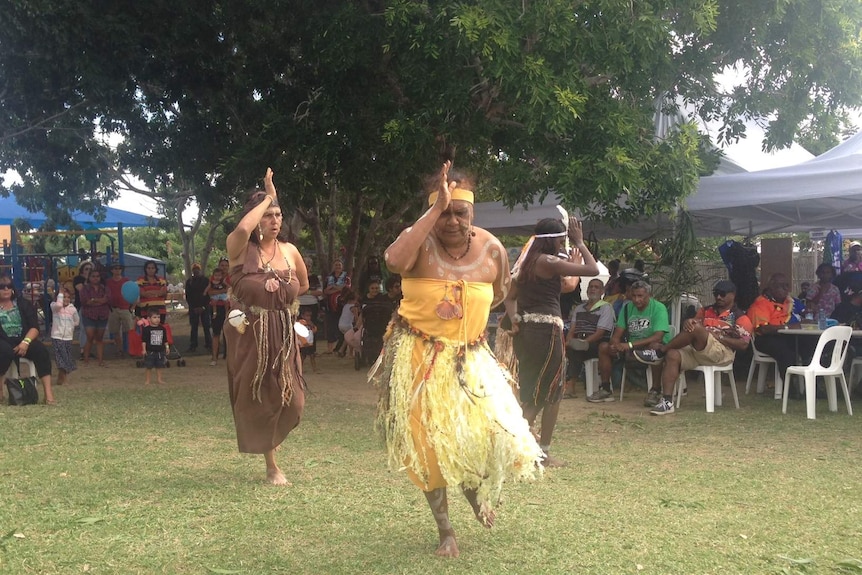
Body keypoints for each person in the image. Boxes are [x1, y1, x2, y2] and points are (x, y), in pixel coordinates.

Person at [373, 160, 542, 558]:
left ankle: (474, 493)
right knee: (431, 446)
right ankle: (445, 529)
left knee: (481, 435)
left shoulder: (492, 250)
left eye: (458, 212)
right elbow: (394, 262)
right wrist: (434, 210)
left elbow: (500, 293)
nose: (451, 221)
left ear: (474, 212)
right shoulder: (418, 242)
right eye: (443, 212)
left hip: (469, 357)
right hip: (417, 358)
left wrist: (467, 324)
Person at [224, 168, 309, 486]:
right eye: (268, 215)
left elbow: (302, 284)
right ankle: (272, 464)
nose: (275, 220)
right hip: (248, 329)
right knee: (259, 394)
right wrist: (268, 194)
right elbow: (244, 228)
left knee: (294, 399)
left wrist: (280, 299)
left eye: (278, 214)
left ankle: (271, 443)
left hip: (282, 330)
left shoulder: (290, 251)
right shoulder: (239, 248)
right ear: (256, 218)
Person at [505, 216, 599, 467]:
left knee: (536, 391)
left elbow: (510, 296)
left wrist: (515, 318)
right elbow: (593, 270)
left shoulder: (526, 262)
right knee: (549, 393)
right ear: (554, 240)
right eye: (562, 240)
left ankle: (520, 448)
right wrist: (580, 242)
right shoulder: (548, 261)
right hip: (546, 333)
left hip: (529, 333)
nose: (563, 245)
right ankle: (538, 453)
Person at [634, 280, 753, 415]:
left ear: (733, 295)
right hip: (698, 351)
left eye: (722, 294)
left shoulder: (740, 317)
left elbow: (743, 344)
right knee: (673, 354)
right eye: (716, 294)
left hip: (721, 353)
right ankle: (667, 402)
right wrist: (687, 322)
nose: (718, 297)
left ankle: (660, 351)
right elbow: (692, 326)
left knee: (695, 329)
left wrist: (717, 336)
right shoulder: (706, 310)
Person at [587, 279, 671, 404]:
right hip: (631, 348)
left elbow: (658, 336)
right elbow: (618, 333)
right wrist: (614, 344)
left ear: (649, 295)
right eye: (634, 296)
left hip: (652, 346)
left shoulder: (659, 308)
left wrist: (630, 345)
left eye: (640, 296)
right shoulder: (627, 308)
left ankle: (655, 391)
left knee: (655, 348)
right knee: (604, 347)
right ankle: (605, 389)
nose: (637, 300)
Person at [0, 275, 55, 404]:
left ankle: (48, 394)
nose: (6, 289)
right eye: (2, 287)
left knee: (41, 351)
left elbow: (34, 327)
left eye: (9, 286)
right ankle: (0, 391)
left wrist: (25, 343)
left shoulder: (23, 304)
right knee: (4, 352)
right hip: (3, 340)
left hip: (24, 338)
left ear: (13, 289)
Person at [746, 272, 799, 391]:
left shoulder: (787, 302)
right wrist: (787, 328)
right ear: (771, 287)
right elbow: (763, 329)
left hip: (786, 336)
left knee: (808, 346)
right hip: (765, 339)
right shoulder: (761, 303)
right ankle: (789, 389)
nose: (786, 289)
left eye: (787, 286)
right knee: (786, 352)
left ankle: (814, 387)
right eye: (782, 286)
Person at [563, 278, 615, 397]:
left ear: (602, 291)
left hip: (596, 343)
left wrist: (584, 342)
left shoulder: (605, 308)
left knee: (575, 349)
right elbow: (572, 329)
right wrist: (568, 340)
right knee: (568, 347)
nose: (592, 289)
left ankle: (570, 386)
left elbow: (600, 332)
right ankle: (561, 384)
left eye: (596, 287)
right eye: (591, 287)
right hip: (579, 341)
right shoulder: (579, 308)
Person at [80, 268, 111, 367]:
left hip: (102, 315)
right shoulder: (84, 289)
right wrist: (99, 300)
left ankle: (100, 361)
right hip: (89, 315)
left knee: (99, 338)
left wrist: (94, 300)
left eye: (97, 276)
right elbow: (86, 301)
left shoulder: (105, 288)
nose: (95, 278)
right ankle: (86, 360)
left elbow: (107, 299)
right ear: (89, 277)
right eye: (93, 276)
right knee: (90, 337)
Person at [50, 286, 79, 386]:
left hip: (68, 337)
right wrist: (60, 295)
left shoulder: (72, 309)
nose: (65, 299)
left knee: (66, 357)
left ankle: (61, 376)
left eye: (67, 297)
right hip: (57, 336)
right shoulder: (54, 306)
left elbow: (76, 321)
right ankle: (64, 378)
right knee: (60, 358)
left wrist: (71, 326)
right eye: (63, 297)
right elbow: (58, 305)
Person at [105, 263, 134, 358]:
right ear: (112, 270)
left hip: (125, 308)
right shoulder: (108, 282)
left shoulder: (127, 281)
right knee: (115, 331)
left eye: (119, 268)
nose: (117, 270)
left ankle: (132, 349)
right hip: (113, 309)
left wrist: (132, 307)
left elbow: (134, 293)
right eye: (115, 268)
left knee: (129, 330)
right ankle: (120, 350)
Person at [323, 259, 350, 354]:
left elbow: (345, 288)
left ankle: (341, 348)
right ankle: (330, 349)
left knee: (342, 326)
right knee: (331, 327)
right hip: (330, 306)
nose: (338, 267)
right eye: (336, 265)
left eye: (339, 265)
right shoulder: (329, 278)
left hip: (342, 306)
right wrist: (337, 288)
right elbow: (325, 291)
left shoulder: (346, 277)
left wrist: (333, 288)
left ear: (342, 267)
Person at [185, 263, 213, 352]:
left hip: (204, 306)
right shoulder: (189, 281)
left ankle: (209, 344)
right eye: (194, 269)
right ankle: (193, 345)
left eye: (197, 269)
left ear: (200, 270)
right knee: (194, 326)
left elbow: (208, 294)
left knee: (206, 326)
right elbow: (188, 296)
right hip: (193, 307)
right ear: (192, 271)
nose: (196, 271)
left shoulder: (206, 281)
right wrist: (193, 307)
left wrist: (203, 307)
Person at [206, 266, 229, 367]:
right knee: (216, 333)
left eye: (226, 265)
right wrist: (222, 292)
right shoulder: (212, 281)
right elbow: (209, 292)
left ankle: (230, 357)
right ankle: (214, 357)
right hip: (216, 308)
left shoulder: (229, 279)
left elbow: (230, 290)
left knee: (229, 333)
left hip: (228, 308)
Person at [141, 310, 169, 385]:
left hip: (160, 351)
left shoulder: (162, 329)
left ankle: (159, 379)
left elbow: (165, 339)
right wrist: (144, 350)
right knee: (149, 366)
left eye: (158, 317)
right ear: (149, 319)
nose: (157, 319)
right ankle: (147, 380)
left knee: (159, 366)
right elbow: (144, 341)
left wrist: (167, 347)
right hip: (150, 351)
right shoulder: (146, 329)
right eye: (154, 317)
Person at [73, 261, 94, 359]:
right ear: (81, 270)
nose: (88, 271)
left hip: (93, 307)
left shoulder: (94, 280)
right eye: (86, 269)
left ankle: (88, 350)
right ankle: (83, 350)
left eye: (90, 269)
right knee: (84, 329)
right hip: (82, 306)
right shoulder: (78, 279)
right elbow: (82, 290)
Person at [297, 308, 319, 373]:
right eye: (307, 316)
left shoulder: (311, 323)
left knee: (312, 355)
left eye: (310, 316)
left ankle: (314, 369)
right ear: (302, 316)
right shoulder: (300, 322)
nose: (309, 317)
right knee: (303, 356)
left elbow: (314, 331)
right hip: (303, 342)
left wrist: (312, 325)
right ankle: (300, 369)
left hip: (310, 342)